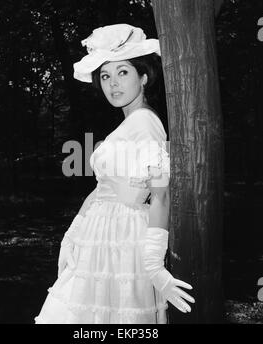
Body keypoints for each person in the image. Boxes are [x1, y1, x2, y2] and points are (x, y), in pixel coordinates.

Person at [34, 23, 195, 324]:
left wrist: (153, 264)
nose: (113, 84)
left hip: (122, 241)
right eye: (105, 76)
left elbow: (160, 192)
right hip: (98, 239)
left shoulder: (146, 124)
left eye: (123, 72)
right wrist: (72, 234)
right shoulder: (126, 126)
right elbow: (101, 188)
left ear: (144, 77)